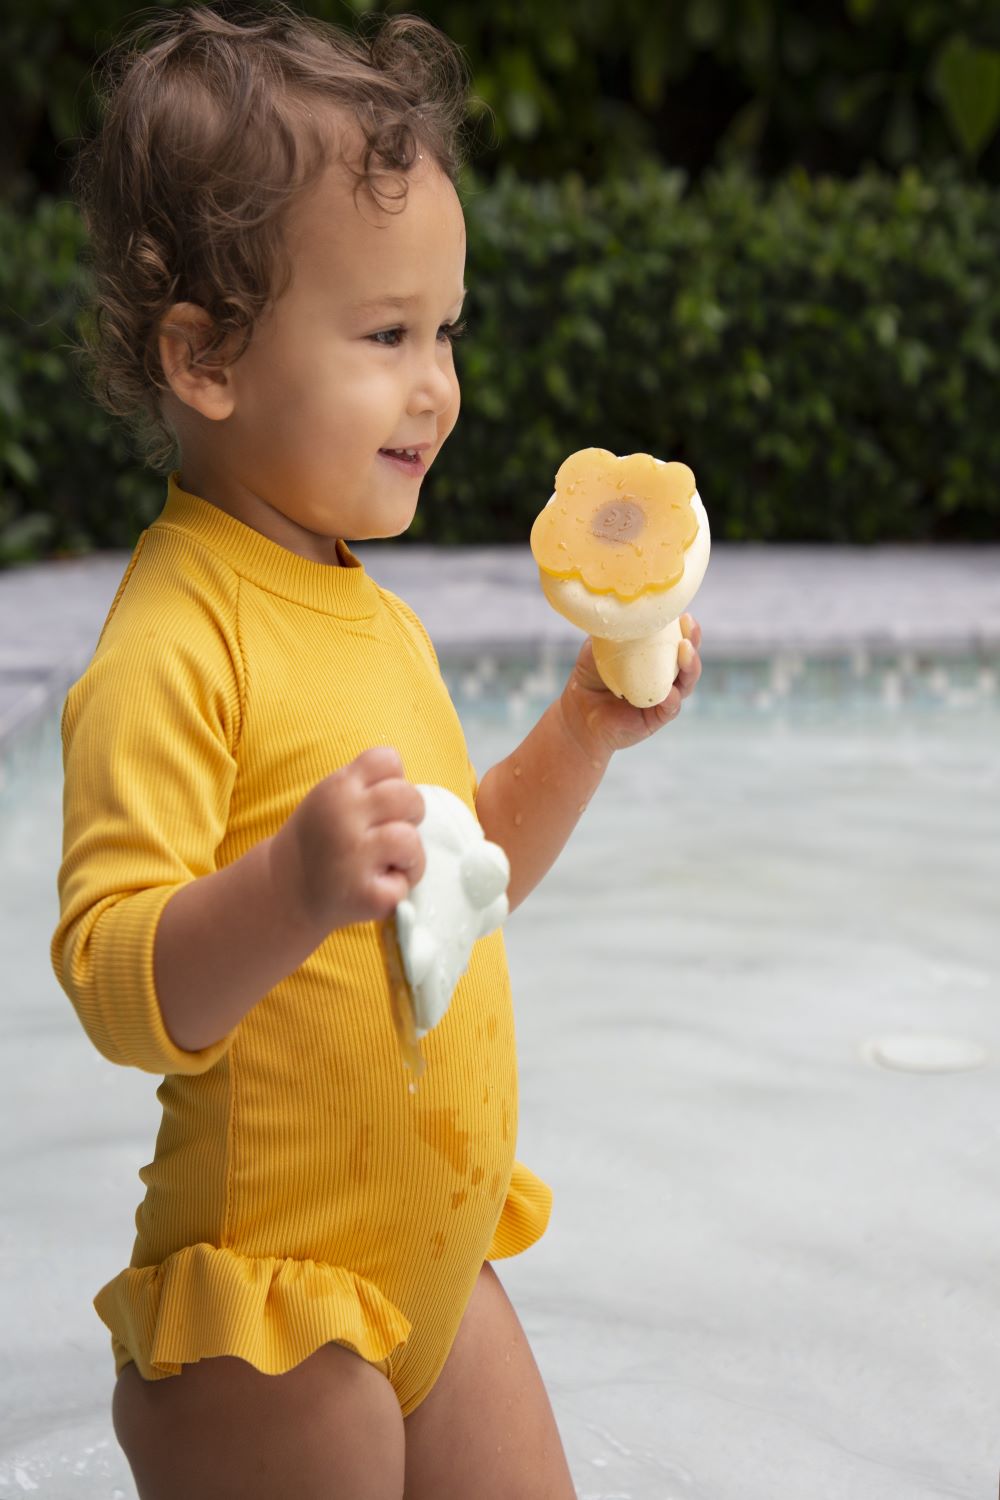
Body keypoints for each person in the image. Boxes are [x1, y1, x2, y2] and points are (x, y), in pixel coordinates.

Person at [51, 7, 703, 1498]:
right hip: (270, 1324)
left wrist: (582, 732)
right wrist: (290, 888)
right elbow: (113, 979)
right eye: (387, 335)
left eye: (446, 331)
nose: (438, 385)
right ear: (207, 357)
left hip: (434, 1265)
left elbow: (452, 885)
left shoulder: (373, 619)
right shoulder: (177, 639)